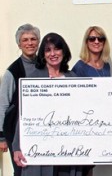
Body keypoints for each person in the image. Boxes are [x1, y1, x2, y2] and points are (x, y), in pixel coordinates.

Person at [12, 32, 77, 176]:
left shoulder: (73, 78)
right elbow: (22, 116)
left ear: (63, 51)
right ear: (43, 54)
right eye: (48, 50)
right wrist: (17, 147)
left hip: (68, 149)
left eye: (57, 49)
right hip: (40, 148)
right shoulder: (33, 79)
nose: (53, 53)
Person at [0, 23, 40, 176]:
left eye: (33, 39)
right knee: (21, 169)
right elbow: (3, 104)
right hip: (16, 131)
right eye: (25, 40)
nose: (29, 43)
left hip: (37, 128)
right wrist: (2, 136)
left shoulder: (44, 65)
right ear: (19, 44)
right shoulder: (12, 71)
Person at [72, 26, 111, 176]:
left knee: (91, 163)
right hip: (84, 121)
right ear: (86, 42)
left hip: (100, 122)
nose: (96, 41)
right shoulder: (79, 67)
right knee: (84, 165)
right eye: (92, 38)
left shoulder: (106, 66)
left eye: (100, 38)